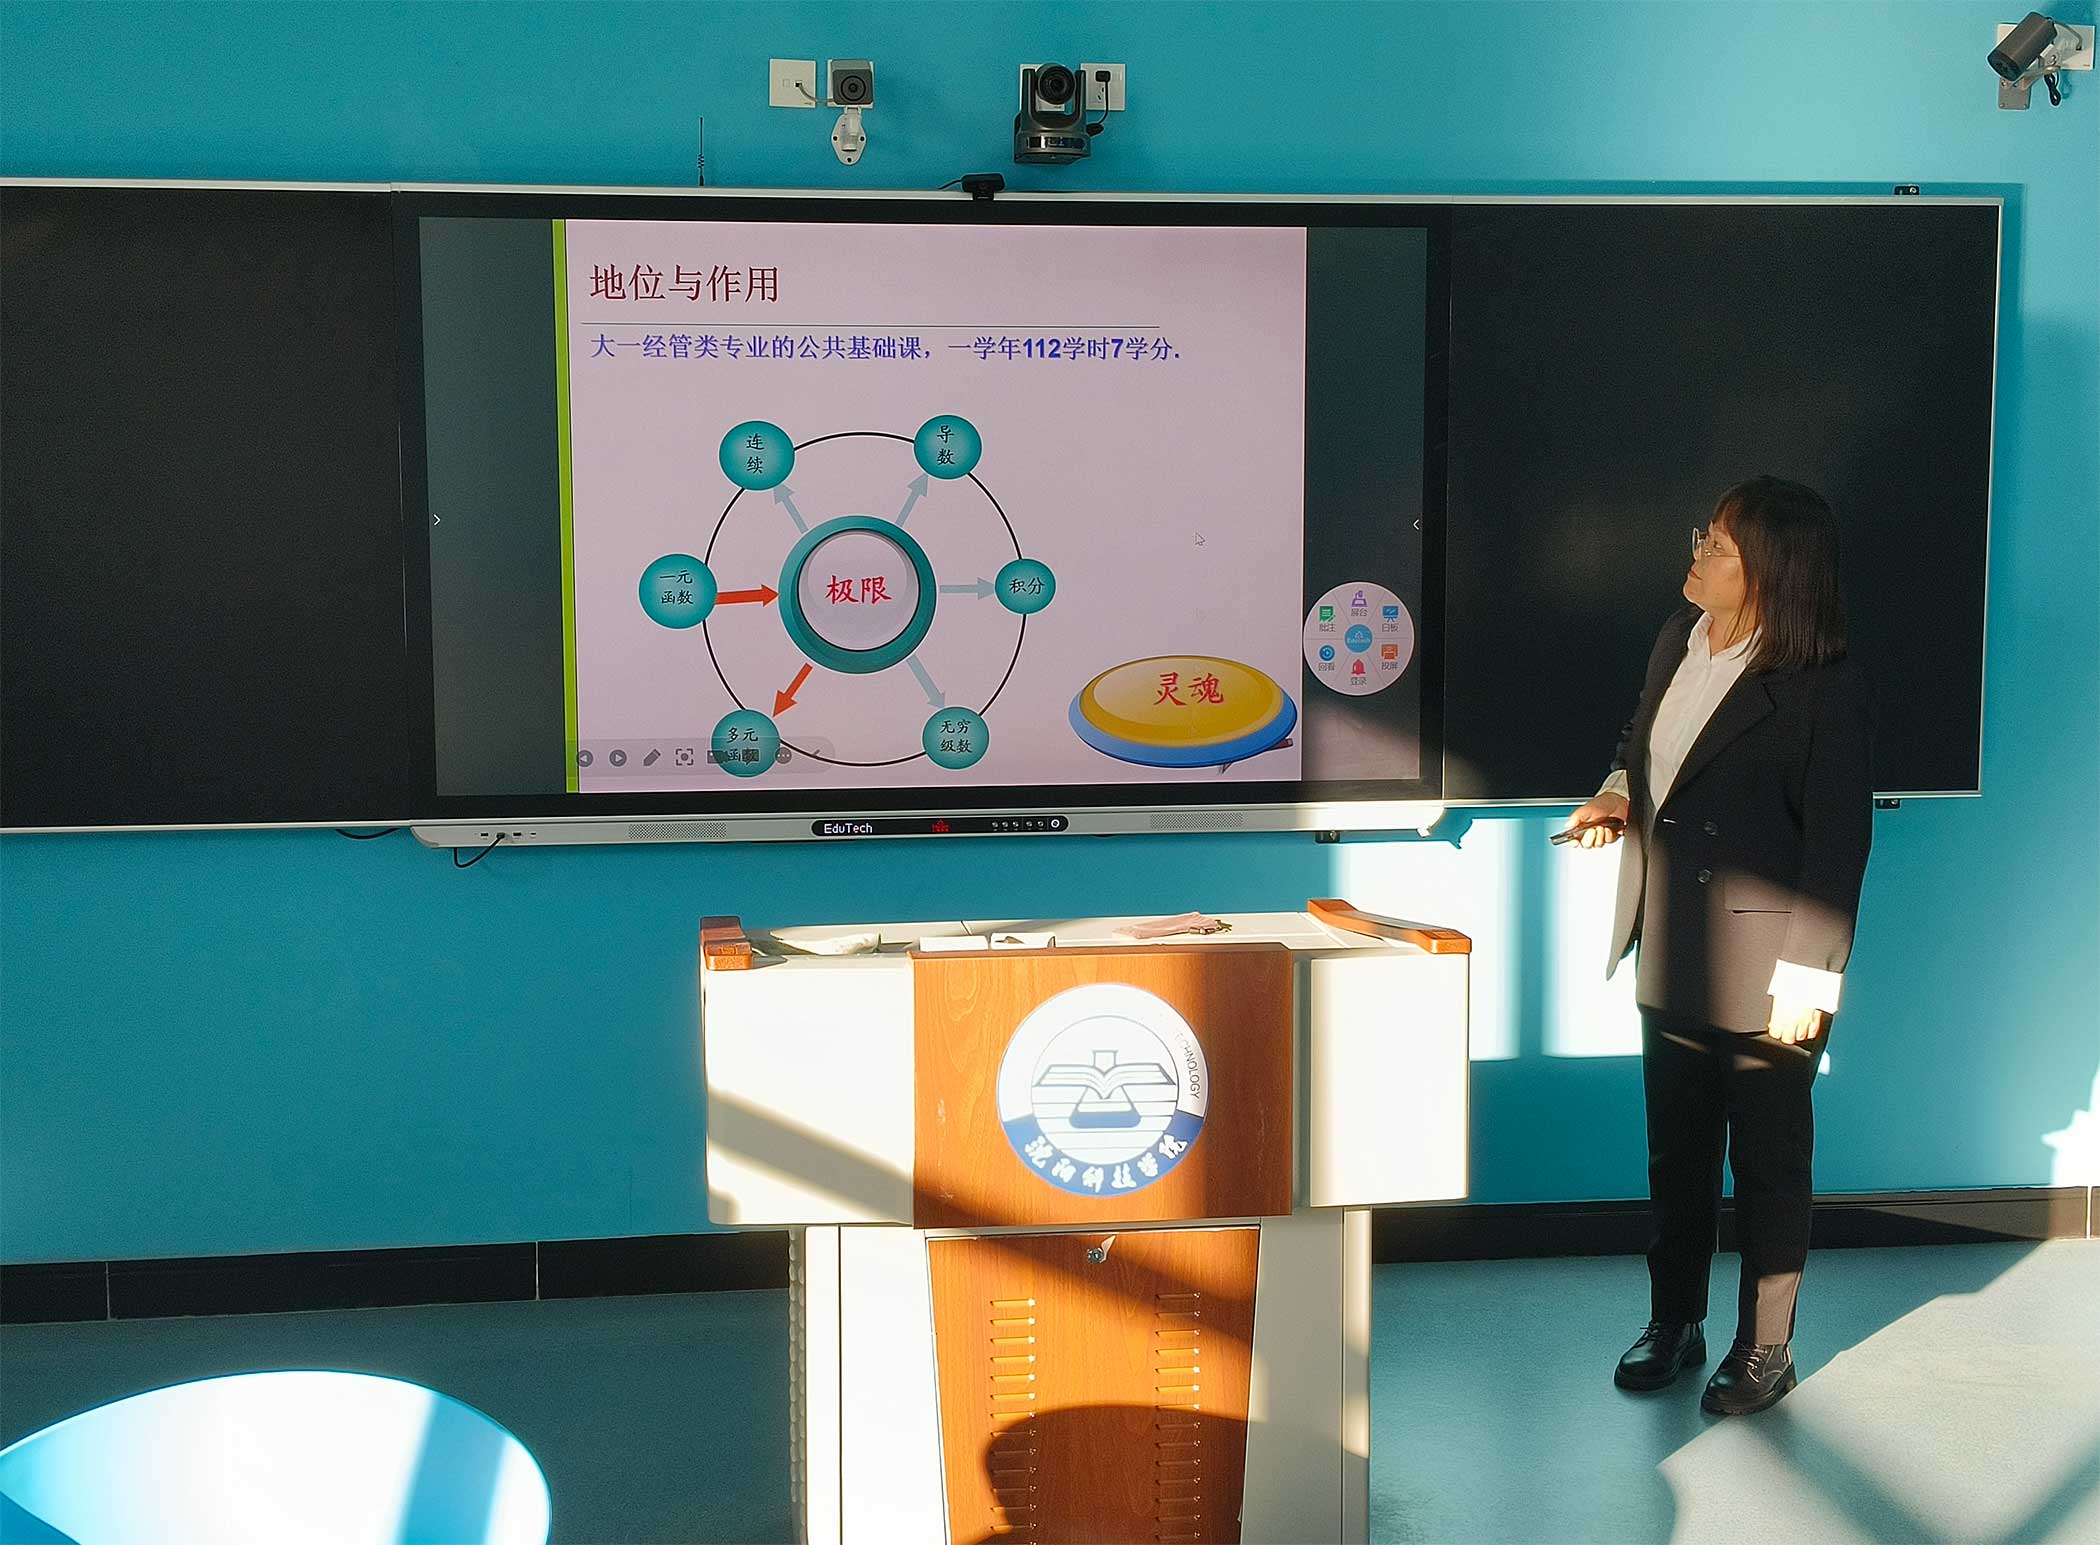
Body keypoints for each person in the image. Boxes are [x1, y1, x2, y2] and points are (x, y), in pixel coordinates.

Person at [1561, 475, 1873, 1416]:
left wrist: (1810, 976)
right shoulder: (1679, 636)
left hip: (1772, 967)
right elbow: (1646, 739)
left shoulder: (1822, 684)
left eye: (1720, 546)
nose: (1697, 552)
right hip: (1672, 941)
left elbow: (1839, 842)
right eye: (1705, 535)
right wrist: (1618, 789)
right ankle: (1676, 1320)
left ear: (1770, 570)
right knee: (1677, 1154)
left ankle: (1765, 1347)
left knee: (1769, 1161)